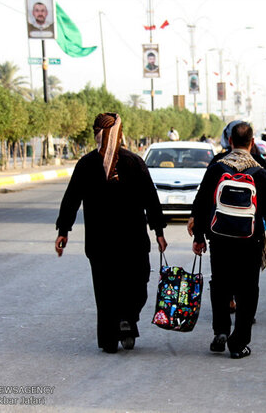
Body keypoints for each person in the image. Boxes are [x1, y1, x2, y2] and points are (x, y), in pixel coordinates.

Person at [55, 113, 167, 353]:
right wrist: (158, 231)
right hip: (133, 241)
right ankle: (128, 317)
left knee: (105, 291)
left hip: (99, 243)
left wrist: (64, 231)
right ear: (120, 133)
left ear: (96, 134)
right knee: (137, 283)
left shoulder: (86, 164)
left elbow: (71, 199)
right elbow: (151, 198)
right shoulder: (134, 162)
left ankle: (109, 340)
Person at [191, 122, 266, 359]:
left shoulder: (217, 168)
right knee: (248, 289)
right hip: (250, 240)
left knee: (220, 284)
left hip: (219, 238)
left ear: (230, 141)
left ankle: (220, 331)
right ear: (252, 143)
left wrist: (199, 236)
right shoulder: (261, 172)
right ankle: (239, 342)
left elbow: (201, 203)